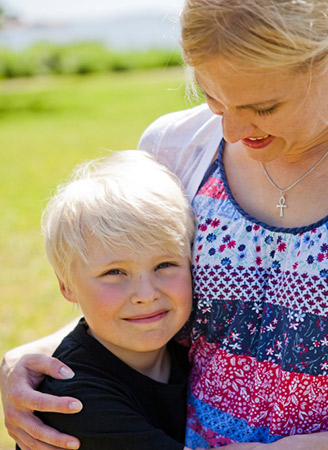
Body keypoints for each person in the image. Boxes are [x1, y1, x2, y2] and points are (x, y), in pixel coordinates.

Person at [2, 0, 328, 448]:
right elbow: (138, 300)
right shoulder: (175, 147)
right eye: (213, 99)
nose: (230, 130)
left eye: (264, 107)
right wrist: (31, 358)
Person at [14, 150, 195, 450]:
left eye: (165, 265)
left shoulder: (191, 350)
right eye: (115, 272)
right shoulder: (73, 400)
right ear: (67, 286)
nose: (147, 294)